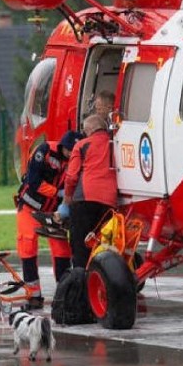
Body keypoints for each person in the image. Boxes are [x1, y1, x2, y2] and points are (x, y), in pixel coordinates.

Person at [16, 130, 83, 309]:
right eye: (70, 151)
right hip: (30, 208)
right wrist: (57, 193)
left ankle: (64, 293)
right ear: (64, 147)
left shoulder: (77, 160)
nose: (71, 154)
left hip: (55, 212)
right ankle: (34, 296)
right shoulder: (44, 150)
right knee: (27, 246)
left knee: (62, 250)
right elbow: (33, 181)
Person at [63, 114, 118, 270]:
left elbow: (72, 176)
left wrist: (67, 197)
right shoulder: (115, 143)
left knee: (80, 246)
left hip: (85, 199)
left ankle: (81, 283)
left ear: (90, 129)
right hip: (109, 201)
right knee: (104, 244)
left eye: (85, 130)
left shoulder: (82, 145)